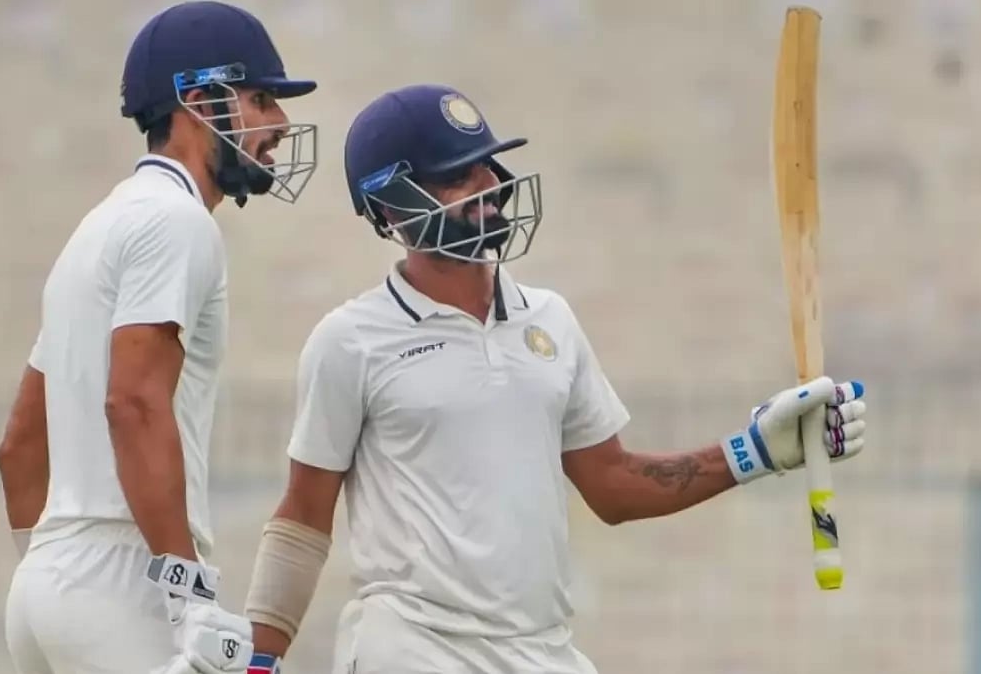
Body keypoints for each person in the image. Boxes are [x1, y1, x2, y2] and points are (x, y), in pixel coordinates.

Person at [237, 84, 869, 674]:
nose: (490, 186)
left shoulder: (549, 320)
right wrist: (259, 663)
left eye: (488, 166)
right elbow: (303, 520)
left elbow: (613, 486)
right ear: (392, 203)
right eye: (458, 174)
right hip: (412, 646)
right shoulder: (350, 340)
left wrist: (753, 451)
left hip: (542, 650)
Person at [0, 2, 319, 672]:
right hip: (125, 583)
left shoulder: (96, 227)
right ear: (199, 105)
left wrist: (55, 579)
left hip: (43, 587)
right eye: (260, 99)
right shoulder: (178, 221)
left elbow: (18, 449)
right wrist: (188, 592)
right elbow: (135, 403)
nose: (281, 124)